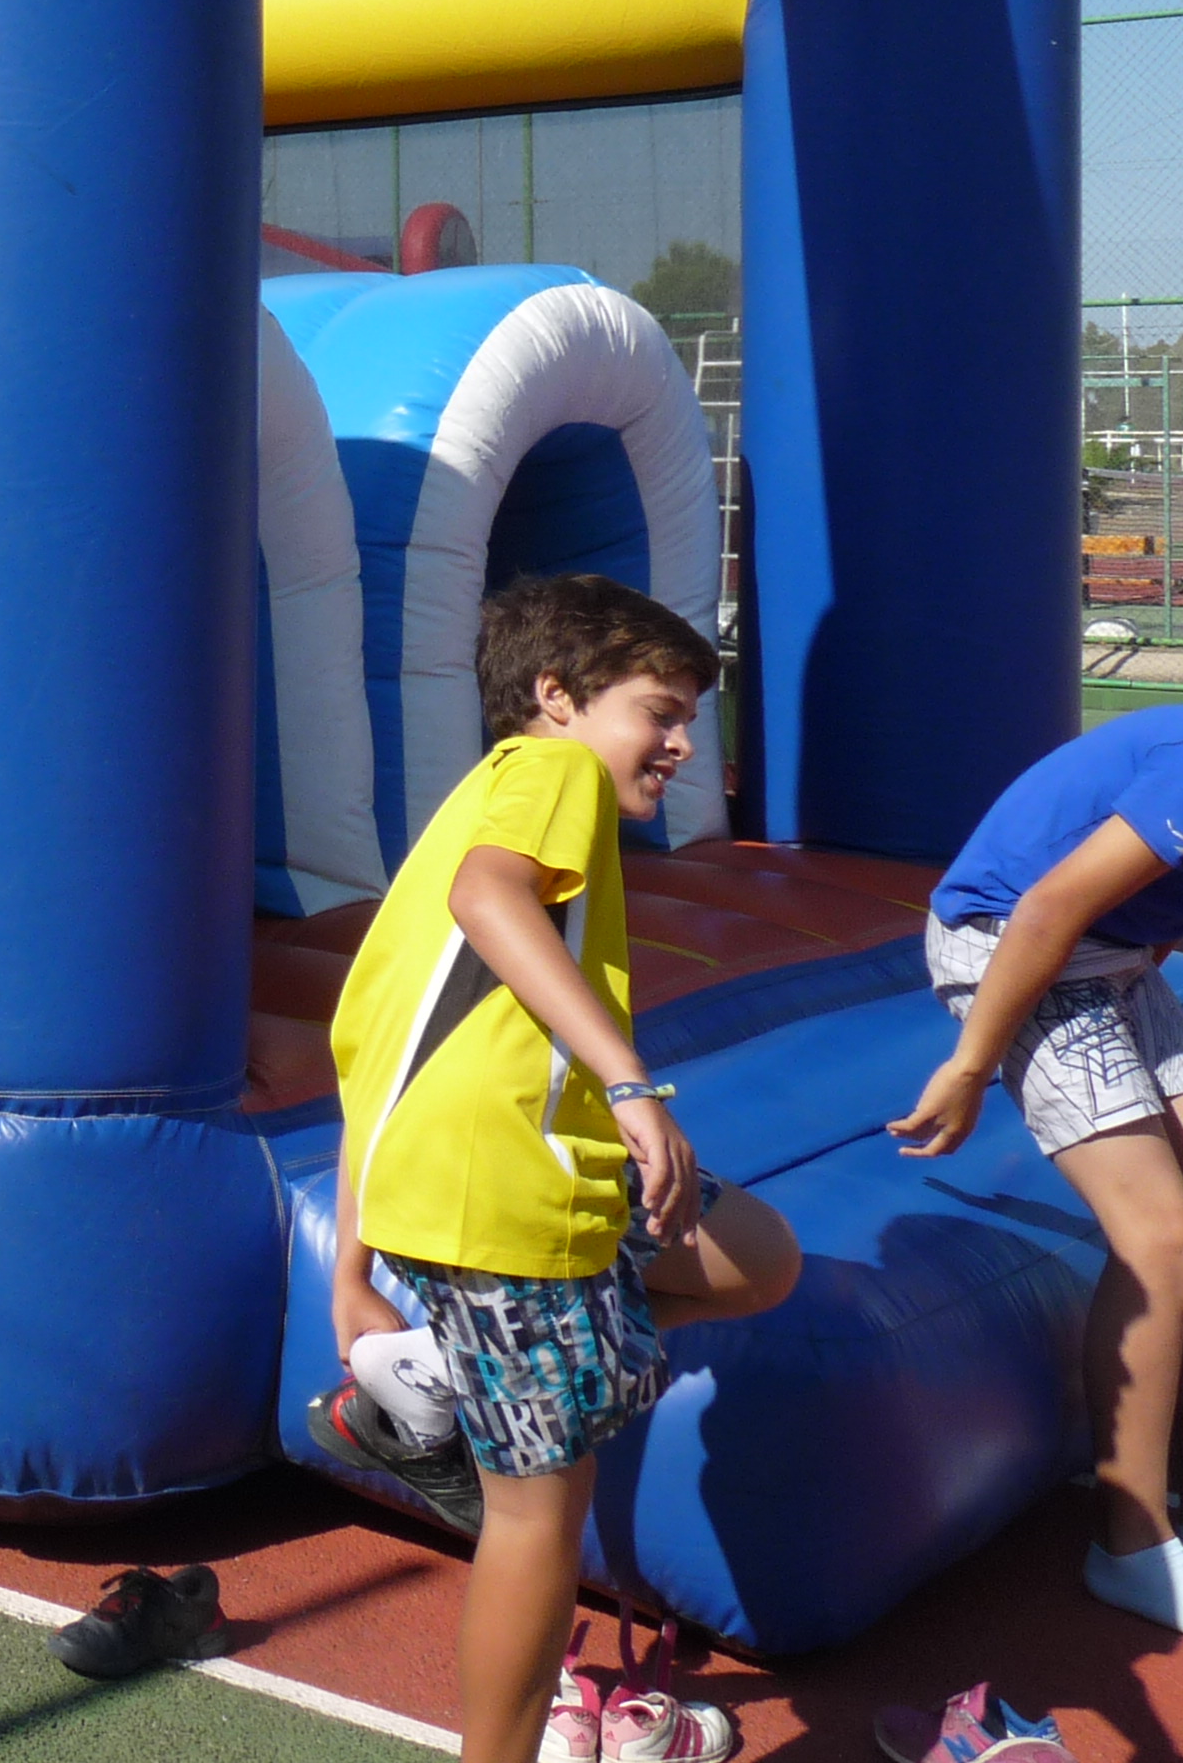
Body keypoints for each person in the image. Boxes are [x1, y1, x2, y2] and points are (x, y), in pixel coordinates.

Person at [324, 573, 802, 1763]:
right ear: (557, 696)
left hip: (518, 1171)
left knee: (755, 1257)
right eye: (659, 711)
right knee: (540, 1516)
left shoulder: (483, 800)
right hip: (504, 1193)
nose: (681, 743)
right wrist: (631, 1083)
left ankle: (437, 1372)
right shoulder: (552, 773)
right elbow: (489, 897)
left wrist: (351, 1273)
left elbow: (373, 1054)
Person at [889, 701, 1183, 1644]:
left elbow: (1166, 902)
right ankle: (1131, 1546)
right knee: (1163, 1237)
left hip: (1113, 956)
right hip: (1007, 935)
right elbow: (1049, 905)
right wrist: (973, 1065)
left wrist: (1136, 997)